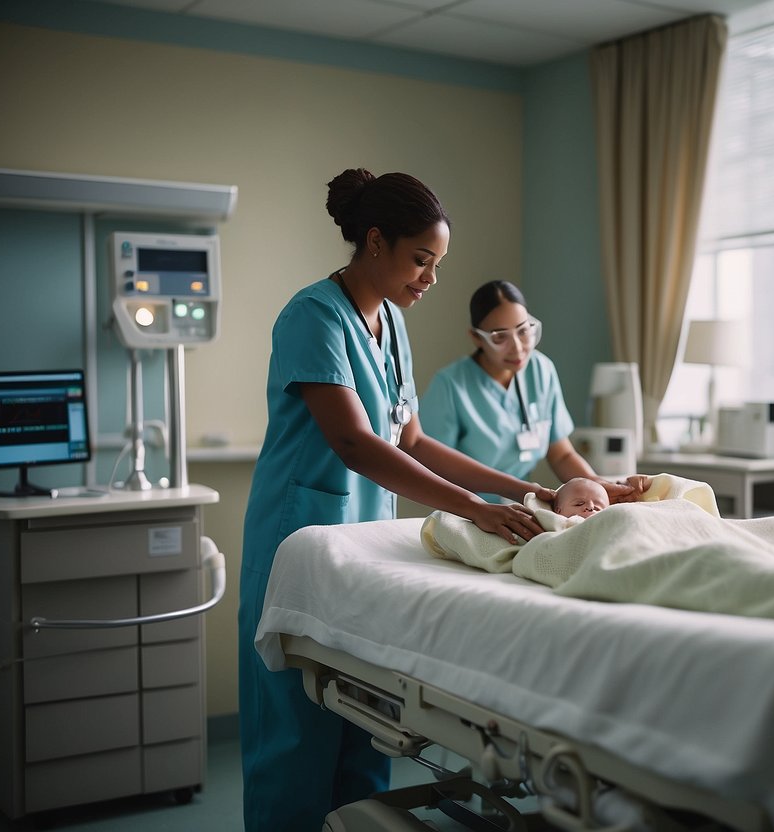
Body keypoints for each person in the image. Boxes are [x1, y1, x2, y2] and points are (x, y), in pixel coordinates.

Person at [238, 167, 557, 832]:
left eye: (437, 265)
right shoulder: (312, 315)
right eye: (420, 261)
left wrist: (525, 489)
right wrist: (474, 509)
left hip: (361, 555)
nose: (429, 280)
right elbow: (356, 443)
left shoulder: (391, 325)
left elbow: (411, 438)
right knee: (296, 737)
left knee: (361, 726)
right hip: (296, 547)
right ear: (374, 242)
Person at [420, 279, 648, 503]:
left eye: (523, 331)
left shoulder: (541, 370)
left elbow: (561, 454)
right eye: (500, 337)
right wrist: (478, 508)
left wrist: (596, 484)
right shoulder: (450, 386)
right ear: (477, 338)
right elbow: (437, 469)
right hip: (466, 509)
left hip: (523, 505)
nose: (517, 348)